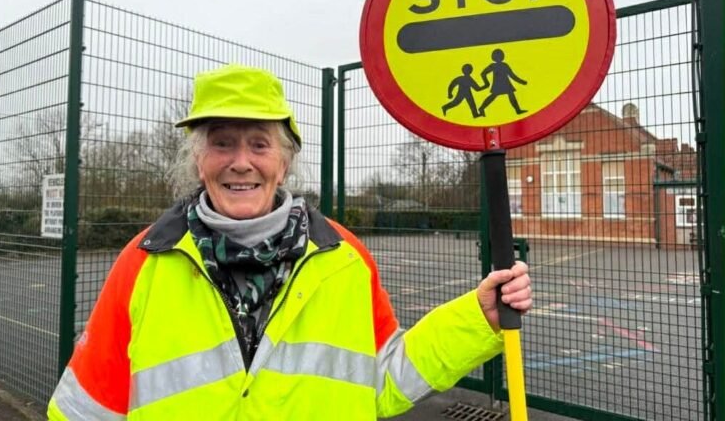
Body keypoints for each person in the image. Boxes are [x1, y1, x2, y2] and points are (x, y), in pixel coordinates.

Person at [47, 64, 532, 420]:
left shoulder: (342, 259)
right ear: (198, 160)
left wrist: (476, 320)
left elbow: (382, 380)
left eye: (259, 144)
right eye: (221, 143)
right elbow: (83, 410)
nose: (241, 162)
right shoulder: (143, 262)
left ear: (285, 161)